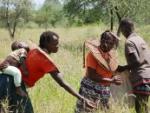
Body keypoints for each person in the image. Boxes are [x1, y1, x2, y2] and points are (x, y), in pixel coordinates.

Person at [0, 31, 94, 113]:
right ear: (46, 44)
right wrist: (82, 98)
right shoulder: (44, 59)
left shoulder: (34, 49)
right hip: (14, 85)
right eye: (55, 44)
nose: (58, 46)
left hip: (4, 79)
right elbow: (63, 83)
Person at [75, 30, 122, 113]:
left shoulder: (110, 55)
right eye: (106, 42)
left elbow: (110, 69)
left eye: (111, 43)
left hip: (104, 89)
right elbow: (91, 75)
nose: (108, 45)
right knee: (86, 110)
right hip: (90, 88)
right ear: (102, 41)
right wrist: (111, 80)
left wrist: (114, 77)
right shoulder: (92, 55)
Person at [117, 18, 150, 113]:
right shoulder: (140, 39)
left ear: (124, 28)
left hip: (140, 78)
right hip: (148, 75)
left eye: (121, 29)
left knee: (140, 109)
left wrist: (123, 68)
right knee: (145, 106)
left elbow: (137, 62)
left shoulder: (129, 42)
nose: (122, 33)